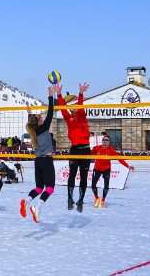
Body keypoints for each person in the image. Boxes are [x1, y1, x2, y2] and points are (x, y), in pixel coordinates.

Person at [20, 85, 56, 223]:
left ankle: (27, 201)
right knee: (50, 188)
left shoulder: (33, 131)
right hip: (46, 161)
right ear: (40, 121)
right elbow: (51, 112)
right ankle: (37, 208)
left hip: (38, 161)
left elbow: (33, 122)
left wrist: (30, 114)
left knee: (38, 188)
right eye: (40, 117)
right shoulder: (43, 127)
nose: (42, 117)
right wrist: (50, 95)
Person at [55, 82, 91, 213]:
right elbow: (63, 108)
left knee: (84, 176)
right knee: (72, 175)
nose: (75, 108)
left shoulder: (82, 117)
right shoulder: (68, 118)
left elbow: (81, 105)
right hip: (75, 149)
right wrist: (59, 94)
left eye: (76, 106)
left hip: (86, 150)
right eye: (73, 107)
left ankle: (80, 200)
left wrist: (81, 93)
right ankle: (70, 198)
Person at [90, 135, 134, 208]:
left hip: (106, 169)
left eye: (106, 140)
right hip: (97, 168)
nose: (105, 141)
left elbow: (119, 159)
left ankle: (103, 199)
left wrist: (128, 166)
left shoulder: (111, 150)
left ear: (109, 142)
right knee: (93, 185)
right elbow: (88, 155)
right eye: (103, 140)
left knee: (106, 186)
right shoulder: (96, 148)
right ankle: (97, 198)